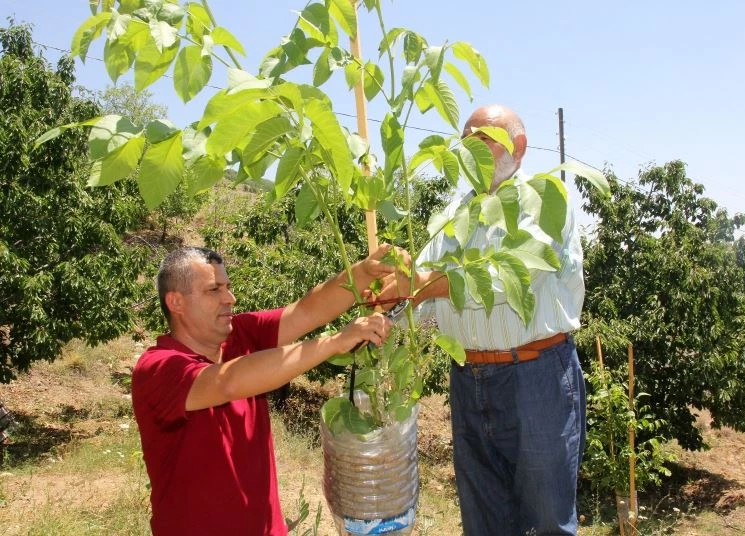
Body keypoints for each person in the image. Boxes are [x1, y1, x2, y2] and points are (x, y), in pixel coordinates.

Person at [379, 104, 586, 535]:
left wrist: (414, 284)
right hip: (470, 378)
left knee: (546, 520)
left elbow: (507, 277)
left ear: (520, 147)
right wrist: (386, 309)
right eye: (466, 140)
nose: (471, 149)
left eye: (485, 139)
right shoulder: (454, 211)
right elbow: (422, 296)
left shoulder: (546, 198)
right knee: (484, 519)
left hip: (536, 376)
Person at [132, 245, 400, 536]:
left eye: (229, 287)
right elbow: (227, 381)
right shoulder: (158, 368)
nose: (230, 299)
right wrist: (335, 341)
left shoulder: (241, 334)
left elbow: (308, 311)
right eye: (214, 290)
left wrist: (362, 272)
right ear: (176, 302)